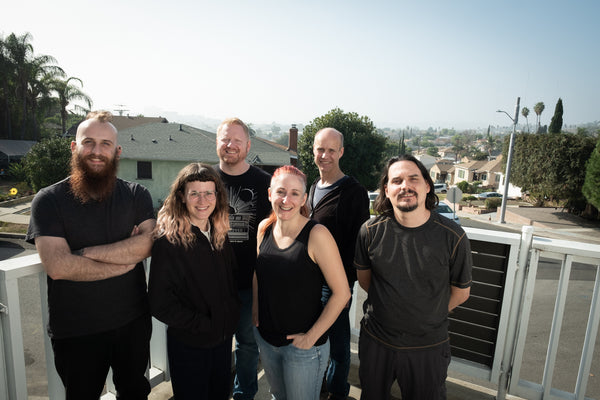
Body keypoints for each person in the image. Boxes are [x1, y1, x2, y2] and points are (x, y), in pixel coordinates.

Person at [26, 110, 156, 399]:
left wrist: (84, 254)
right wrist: (124, 261)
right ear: (74, 147)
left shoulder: (136, 195)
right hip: (76, 330)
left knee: (135, 393)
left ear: (117, 151)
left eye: (106, 144)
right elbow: (59, 266)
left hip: (132, 323)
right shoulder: (48, 200)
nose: (96, 151)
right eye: (89, 142)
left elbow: (148, 244)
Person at [354, 155, 473, 400]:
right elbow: (366, 281)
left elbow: (461, 293)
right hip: (377, 343)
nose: (405, 186)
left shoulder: (453, 236)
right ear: (386, 190)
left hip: (428, 348)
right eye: (396, 181)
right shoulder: (370, 232)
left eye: (413, 178)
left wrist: (428, 312)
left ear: (427, 185)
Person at [252, 165, 351, 400]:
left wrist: (311, 337)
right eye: (280, 192)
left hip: (304, 348)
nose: (287, 199)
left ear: (304, 198)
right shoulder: (263, 229)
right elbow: (258, 273)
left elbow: (342, 293)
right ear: (269, 194)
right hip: (267, 341)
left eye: (295, 193)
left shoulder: (317, 235)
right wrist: (255, 310)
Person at [148, 163, 240, 400]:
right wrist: (205, 324)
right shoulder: (169, 241)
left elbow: (229, 281)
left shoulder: (219, 231)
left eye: (209, 192)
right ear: (182, 196)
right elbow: (159, 303)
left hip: (221, 341)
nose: (203, 200)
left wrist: (228, 318)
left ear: (217, 195)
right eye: (195, 193)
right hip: (190, 345)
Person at [307, 127, 370, 400]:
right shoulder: (312, 187)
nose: (325, 155)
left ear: (341, 152)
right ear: (313, 151)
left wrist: (344, 287)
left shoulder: (353, 192)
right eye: (321, 149)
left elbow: (360, 243)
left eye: (332, 150)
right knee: (314, 342)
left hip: (335, 285)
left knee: (339, 348)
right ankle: (317, 389)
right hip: (308, 282)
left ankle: (336, 393)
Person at [213, 117, 271, 400]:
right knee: (216, 343)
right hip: (212, 283)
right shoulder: (204, 179)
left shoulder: (265, 184)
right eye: (225, 139)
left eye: (237, 140)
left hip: (251, 283)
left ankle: (244, 394)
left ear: (248, 146)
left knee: (248, 345)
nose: (230, 145)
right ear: (216, 144)